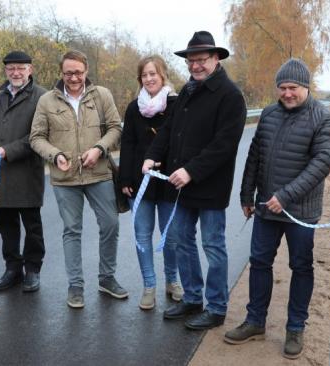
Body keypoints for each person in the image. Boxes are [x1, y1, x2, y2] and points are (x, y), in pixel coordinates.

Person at [224, 58, 330, 360]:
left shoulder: (324, 119)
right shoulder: (268, 114)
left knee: (301, 267)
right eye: (282, 88)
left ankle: (295, 328)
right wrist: (246, 194)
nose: (287, 93)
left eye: (293, 88)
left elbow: (321, 165)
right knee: (259, 263)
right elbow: (255, 155)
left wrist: (286, 196)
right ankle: (255, 321)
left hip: (301, 212)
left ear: (306, 87)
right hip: (266, 209)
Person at [142, 31, 247, 329]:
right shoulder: (187, 91)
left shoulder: (230, 96)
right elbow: (168, 130)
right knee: (181, 241)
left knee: (213, 246)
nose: (195, 66)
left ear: (216, 59)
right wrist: (152, 155)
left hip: (209, 186)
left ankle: (216, 307)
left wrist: (191, 171)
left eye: (201, 60)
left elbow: (224, 145)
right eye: (191, 61)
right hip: (180, 186)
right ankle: (192, 298)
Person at [30, 50, 126, 308]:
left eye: (78, 72)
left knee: (110, 224)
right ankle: (75, 286)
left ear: (86, 71)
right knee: (72, 231)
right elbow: (36, 137)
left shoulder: (102, 95)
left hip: (99, 174)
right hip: (65, 178)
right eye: (68, 73)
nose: (73, 78)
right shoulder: (47, 101)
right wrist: (55, 155)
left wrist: (99, 149)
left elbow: (115, 128)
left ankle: (107, 278)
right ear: (61, 73)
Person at [0, 51, 47, 293]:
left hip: (27, 172)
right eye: (11, 69)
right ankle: (12, 268)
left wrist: (6, 151)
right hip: (0, 174)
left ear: (30, 69)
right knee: (5, 225)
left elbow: (38, 136)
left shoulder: (42, 96)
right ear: (6, 71)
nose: (15, 73)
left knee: (32, 227)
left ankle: (32, 270)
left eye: (20, 68)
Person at [120, 55, 184, 310]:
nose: (148, 79)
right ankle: (149, 286)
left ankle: (173, 281)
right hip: (140, 182)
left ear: (162, 75)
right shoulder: (133, 108)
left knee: (172, 236)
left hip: (169, 180)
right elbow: (127, 143)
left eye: (153, 74)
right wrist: (125, 178)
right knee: (142, 236)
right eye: (144, 75)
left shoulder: (177, 104)